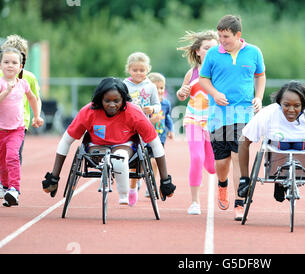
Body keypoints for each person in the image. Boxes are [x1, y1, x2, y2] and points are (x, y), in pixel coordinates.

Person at [41, 77, 176, 205]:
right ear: (100, 99)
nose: (112, 105)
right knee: (107, 156)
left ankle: (124, 195)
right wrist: (54, 176)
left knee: (119, 157)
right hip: (97, 146)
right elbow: (66, 141)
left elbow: (155, 143)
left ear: (123, 100)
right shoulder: (88, 112)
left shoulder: (134, 112)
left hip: (125, 145)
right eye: (107, 101)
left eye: (116, 101)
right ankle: (109, 169)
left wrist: (165, 180)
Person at [199, 15, 266, 221]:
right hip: (218, 115)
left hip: (244, 113)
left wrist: (258, 97)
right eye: (220, 36)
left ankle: (240, 201)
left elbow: (260, 76)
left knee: (239, 156)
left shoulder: (254, 52)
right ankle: (222, 184)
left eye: (226, 36)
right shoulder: (212, 53)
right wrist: (215, 94)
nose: (222, 40)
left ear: (238, 35)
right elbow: (203, 79)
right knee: (222, 162)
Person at [237, 81, 305, 204]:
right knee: (282, 144)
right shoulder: (268, 113)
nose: (291, 110)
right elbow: (243, 141)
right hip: (277, 153)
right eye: (286, 105)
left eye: (297, 106)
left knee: (297, 145)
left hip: (303, 152)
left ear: (304, 104)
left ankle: (282, 181)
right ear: (279, 102)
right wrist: (244, 179)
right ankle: (279, 181)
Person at [176, 30, 218, 215]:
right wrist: (181, 92)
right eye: (206, 48)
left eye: (214, 48)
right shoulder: (192, 73)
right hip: (193, 120)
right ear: (198, 51)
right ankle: (195, 202)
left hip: (214, 124)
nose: (210, 51)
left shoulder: (220, 72)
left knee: (212, 167)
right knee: (196, 158)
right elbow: (182, 95)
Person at [0, 34, 44, 200]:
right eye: (7, 59)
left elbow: (35, 98)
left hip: (20, 122)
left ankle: (13, 187)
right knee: (3, 157)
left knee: (14, 155)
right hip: (1, 122)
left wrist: (36, 116)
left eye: (17, 58)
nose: (11, 64)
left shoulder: (29, 78)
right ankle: (5, 183)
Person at [123, 52, 161, 206]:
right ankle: (130, 189)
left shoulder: (150, 86)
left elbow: (158, 105)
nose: (138, 73)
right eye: (135, 70)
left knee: (141, 160)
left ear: (148, 70)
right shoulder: (124, 85)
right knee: (130, 160)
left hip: (144, 127)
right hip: (127, 127)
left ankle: (136, 187)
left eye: (141, 70)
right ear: (129, 70)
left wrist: (151, 108)